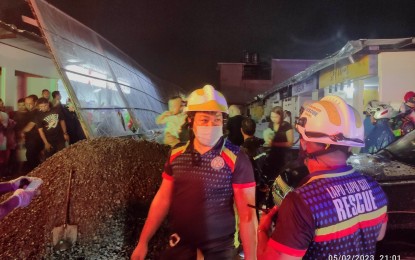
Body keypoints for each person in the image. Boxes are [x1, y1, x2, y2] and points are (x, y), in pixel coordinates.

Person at [131, 85, 257, 260]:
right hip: (180, 244)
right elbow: (163, 199)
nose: (211, 125)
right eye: (204, 120)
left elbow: (248, 216)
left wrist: (252, 258)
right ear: (190, 120)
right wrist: (143, 242)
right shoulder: (176, 154)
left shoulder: (236, 158)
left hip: (219, 249)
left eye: (217, 120)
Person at [257, 96, 388, 259]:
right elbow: (379, 235)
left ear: (306, 143)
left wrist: (262, 231)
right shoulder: (374, 187)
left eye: (303, 137)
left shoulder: (302, 201)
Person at [262, 106, 294, 200]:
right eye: (272, 117)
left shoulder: (287, 126)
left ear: (281, 116)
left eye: (276, 117)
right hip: (273, 155)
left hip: (284, 156)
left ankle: (285, 198)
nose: (273, 119)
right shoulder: (271, 125)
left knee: (282, 178)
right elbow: (270, 136)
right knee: (273, 177)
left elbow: (290, 143)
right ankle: (272, 197)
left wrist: (275, 143)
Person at [20, 95, 43, 171]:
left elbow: (30, 126)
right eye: (26, 103)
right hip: (32, 139)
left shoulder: (36, 112)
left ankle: (36, 174)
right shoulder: (32, 112)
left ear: (35, 102)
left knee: (31, 157)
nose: (28, 105)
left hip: (34, 139)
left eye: (30, 103)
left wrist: (21, 132)